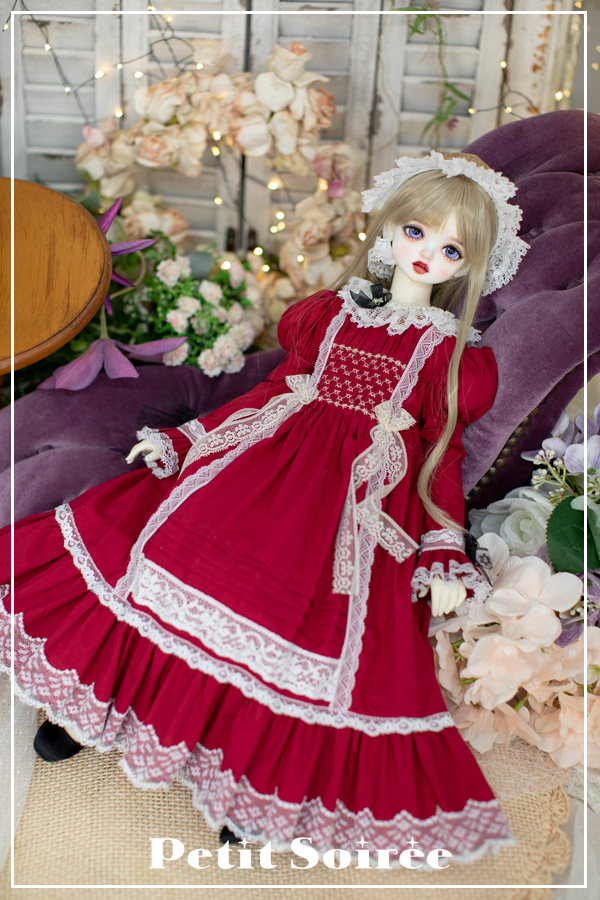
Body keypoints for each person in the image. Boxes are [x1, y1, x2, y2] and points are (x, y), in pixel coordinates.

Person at [0, 150, 528, 864]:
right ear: (388, 229)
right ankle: (96, 703)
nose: (428, 254)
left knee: (304, 633)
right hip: (269, 459)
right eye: (416, 232)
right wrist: (188, 440)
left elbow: (444, 454)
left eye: (451, 249)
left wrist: (441, 548)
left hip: (354, 503)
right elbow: (273, 391)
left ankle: (255, 781)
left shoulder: (450, 356)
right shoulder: (331, 315)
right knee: (166, 554)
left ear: (469, 265)